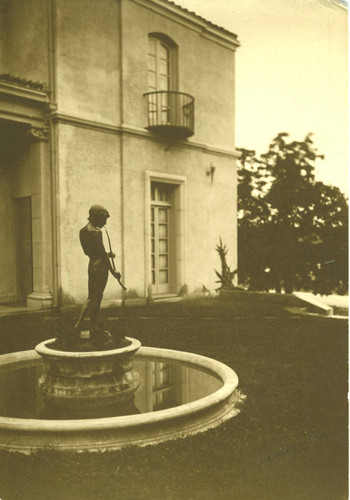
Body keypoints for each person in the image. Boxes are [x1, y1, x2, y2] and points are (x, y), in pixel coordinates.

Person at [74, 205, 121, 345]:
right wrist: (114, 273)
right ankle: (93, 328)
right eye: (103, 219)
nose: (105, 223)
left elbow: (90, 252)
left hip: (91, 266)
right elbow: (103, 257)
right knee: (97, 298)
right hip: (100, 268)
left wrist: (106, 254)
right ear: (96, 216)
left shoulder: (83, 231)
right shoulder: (96, 232)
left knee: (90, 297)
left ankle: (78, 325)